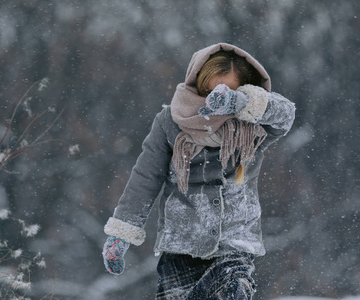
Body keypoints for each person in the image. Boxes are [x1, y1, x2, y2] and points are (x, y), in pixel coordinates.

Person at [102, 42, 296, 299]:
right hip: (181, 245)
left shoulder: (252, 128)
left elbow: (286, 115)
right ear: (197, 85)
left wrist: (240, 103)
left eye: (225, 91)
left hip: (234, 244)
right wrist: (121, 232)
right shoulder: (169, 122)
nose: (214, 100)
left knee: (233, 290)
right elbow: (146, 177)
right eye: (209, 91)